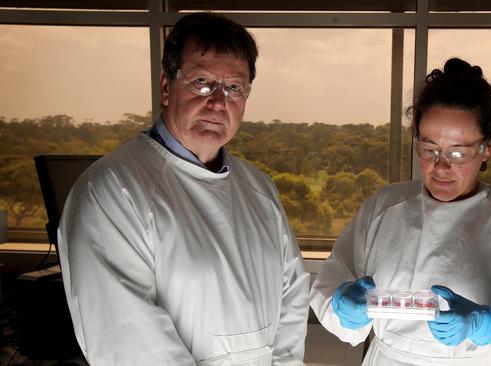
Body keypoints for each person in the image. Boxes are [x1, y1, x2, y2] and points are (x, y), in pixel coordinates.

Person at [58, 12, 309, 365]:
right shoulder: (114, 189)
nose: (218, 102)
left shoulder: (259, 189)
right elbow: (128, 338)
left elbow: (293, 298)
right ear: (165, 87)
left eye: (234, 88)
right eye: (202, 82)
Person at [310, 57, 491, 365]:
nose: (441, 167)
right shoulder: (382, 208)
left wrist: (488, 331)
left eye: (458, 152)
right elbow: (328, 290)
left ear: (488, 146)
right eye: (429, 149)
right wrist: (343, 311)